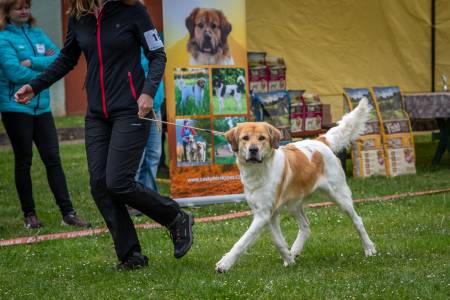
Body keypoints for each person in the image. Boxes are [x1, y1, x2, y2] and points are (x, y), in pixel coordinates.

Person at [15, 0, 194, 270]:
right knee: (100, 184)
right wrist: (35, 86)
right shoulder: (79, 17)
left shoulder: (134, 11)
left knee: (119, 182)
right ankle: (131, 255)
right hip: (98, 114)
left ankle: (175, 217)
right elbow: (67, 58)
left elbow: (158, 55)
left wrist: (147, 92)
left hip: (131, 108)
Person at [0, 0, 90, 229]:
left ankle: (68, 213)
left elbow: (58, 59)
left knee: (53, 159)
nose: (24, 11)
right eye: (18, 8)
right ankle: (29, 214)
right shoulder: (4, 39)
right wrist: (42, 70)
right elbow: (13, 72)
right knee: (24, 161)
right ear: (7, 13)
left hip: (43, 108)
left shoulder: (38, 33)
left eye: (26, 7)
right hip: (16, 107)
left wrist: (32, 62)